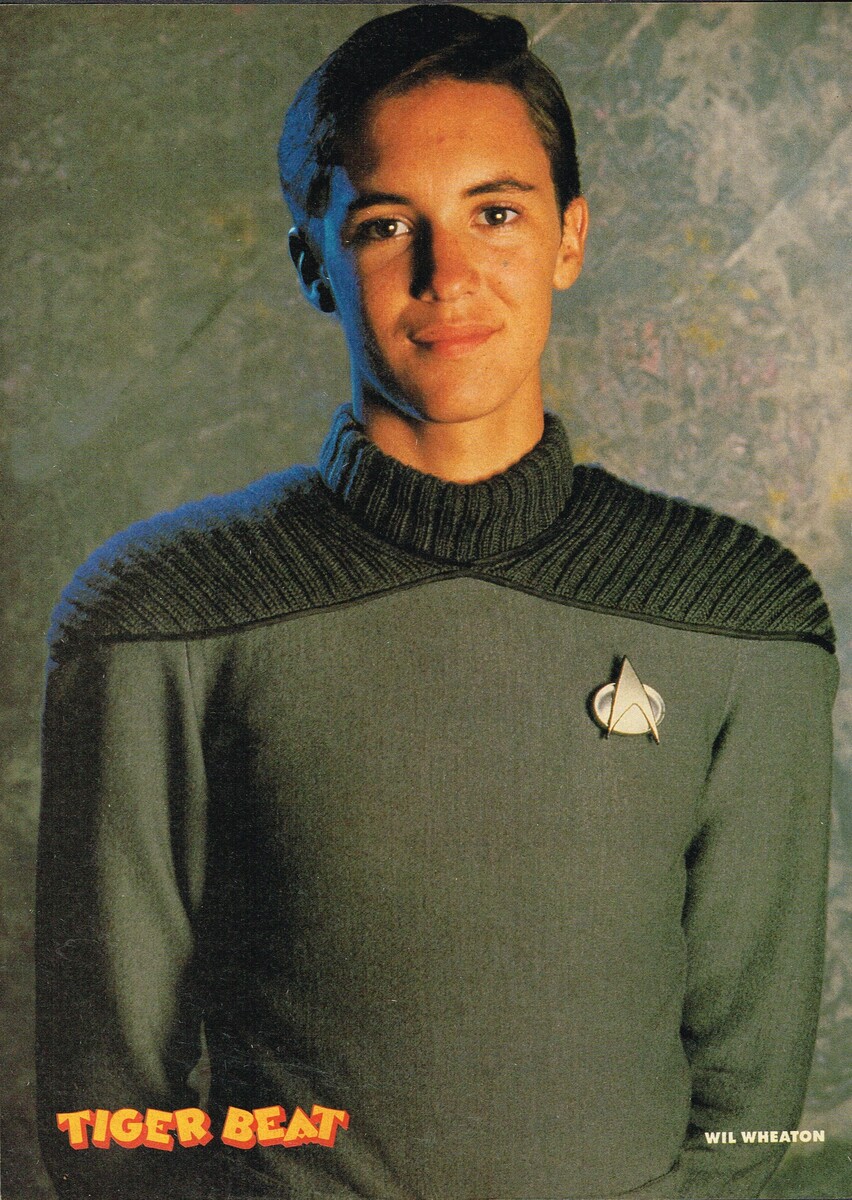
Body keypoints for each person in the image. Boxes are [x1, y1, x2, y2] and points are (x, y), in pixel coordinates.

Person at [36, 7, 837, 1199]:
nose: (447, 276)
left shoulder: (740, 618)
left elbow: (750, 1128)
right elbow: (108, 1121)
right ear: (312, 263)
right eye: (385, 225)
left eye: (495, 213)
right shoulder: (160, 617)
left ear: (570, 237)